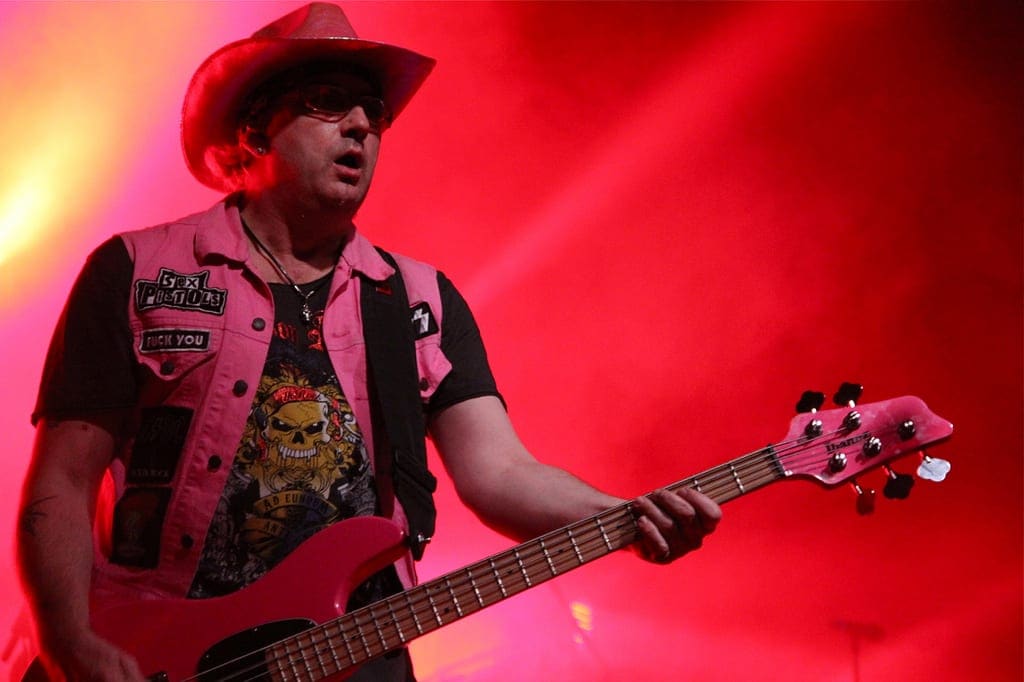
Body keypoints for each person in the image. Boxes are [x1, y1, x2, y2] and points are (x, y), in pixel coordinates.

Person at [16, 4, 722, 681]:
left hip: (354, 657)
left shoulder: (419, 300)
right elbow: (64, 481)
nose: (361, 125)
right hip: (163, 652)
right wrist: (67, 639)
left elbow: (501, 475)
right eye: (329, 102)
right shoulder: (138, 270)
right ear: (256, 129)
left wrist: (627, 518)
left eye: (373, 112)